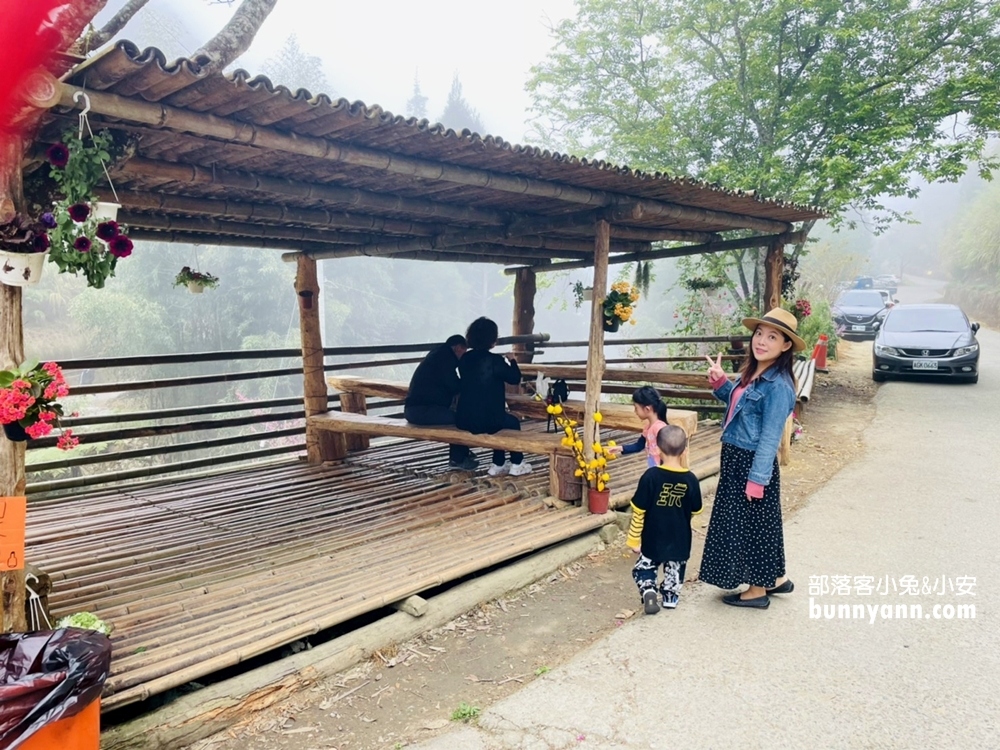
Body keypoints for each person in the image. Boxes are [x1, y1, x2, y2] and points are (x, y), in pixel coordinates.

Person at [698, 307, 802, 609]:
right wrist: (721, 384)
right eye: (759, 333)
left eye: (772, 337)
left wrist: (757, 479)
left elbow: (770, 437)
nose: (761, 341)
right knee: (760, 523)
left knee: (753, 525)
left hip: (752, 463)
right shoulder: (756, 372)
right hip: (736, 458)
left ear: (785, 346)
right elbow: (742, 406)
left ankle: (756, 591)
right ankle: (776, 578)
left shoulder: (779, 386)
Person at [626, 425, 703, 613]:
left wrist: (634, 539)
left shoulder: (651, 476)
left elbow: (639, 511)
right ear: (684, 450)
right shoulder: (691, 479)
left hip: (653, 536)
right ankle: (670, 596)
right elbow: (695, 510)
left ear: (658, 448)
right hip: (680, 538)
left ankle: (648, 590)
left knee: (643, 567)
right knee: (675, 569)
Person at [455, 317, 532, 477]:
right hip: (489, 420)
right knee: (511, 422)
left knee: (500, 420)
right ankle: (517, 463)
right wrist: (512, 361)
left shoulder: (465, 359)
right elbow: (514, 378)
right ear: (492, 339)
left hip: (464, 419)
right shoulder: (495, 361)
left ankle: (499, 463)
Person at [403, 334, 476, 471]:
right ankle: (457, 459)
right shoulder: (445, 360)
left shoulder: (439, 354)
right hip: (420, 411)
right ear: (458, 348)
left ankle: (463, 452)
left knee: (457, 415)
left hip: (416, 410)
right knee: (459, 419)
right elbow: (453, 385)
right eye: (464, 352)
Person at [609, 386, 668, 467]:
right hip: (653, 467)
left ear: (647, 409)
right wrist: (621, 448)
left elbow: (669, 452)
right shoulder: (648, 427)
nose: (635, 412)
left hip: (662, 470)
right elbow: (639, 445)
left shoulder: (660, 428)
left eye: (636, 408)